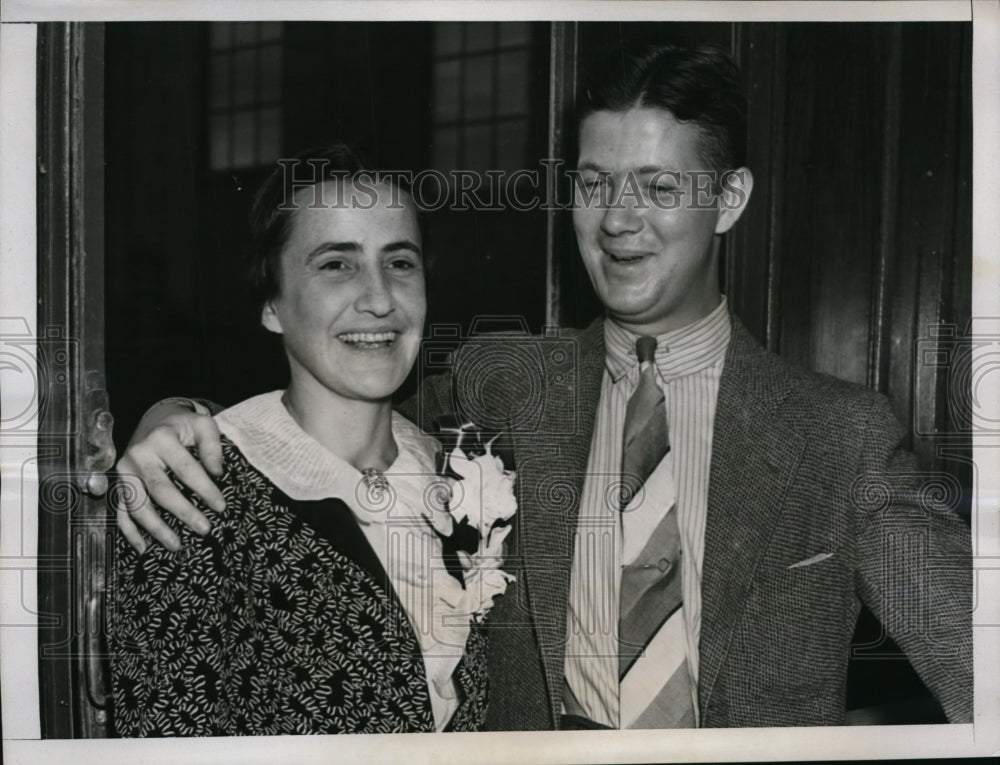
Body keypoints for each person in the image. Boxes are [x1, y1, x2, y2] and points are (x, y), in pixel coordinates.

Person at [113, 44, 972, 730]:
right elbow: (339, 400)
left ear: (732, 197)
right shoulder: (508, 385)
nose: (619, 219)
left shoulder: (841, 436)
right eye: (594, 184)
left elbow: (975, 662)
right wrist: (179, 416)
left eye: (660, 186)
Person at [110, 143, 498, 736]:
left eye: (400, 262)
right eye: (336, 264)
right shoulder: (192, 490)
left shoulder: (466, 475)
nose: (377, 300)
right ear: (272, 304)